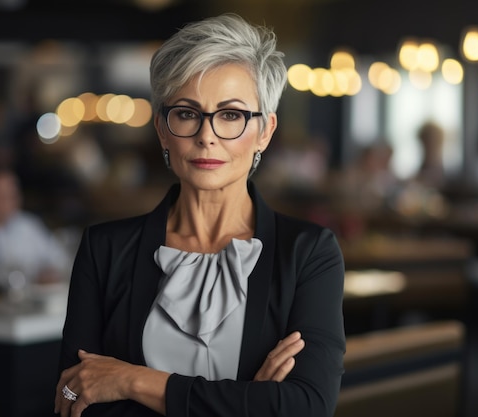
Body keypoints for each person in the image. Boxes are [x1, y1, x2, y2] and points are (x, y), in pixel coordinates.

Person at [54, 13, 346, 417]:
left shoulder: (308, 254)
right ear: (162, 128)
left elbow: (306, 407)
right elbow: (74, 399)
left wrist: (132, 380)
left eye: (231, 115)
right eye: (188, 113)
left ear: (265, 131)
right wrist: (245, 401)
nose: (206, 135)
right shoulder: (104, 249)